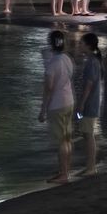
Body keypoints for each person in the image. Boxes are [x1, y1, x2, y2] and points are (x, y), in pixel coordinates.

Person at [38, 30, 75, 184]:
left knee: (61, 141)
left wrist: (43, 110)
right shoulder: (67, 59)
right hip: (69, 102)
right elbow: (69, 77)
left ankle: (64, 174)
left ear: (50, 44)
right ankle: (65, 170)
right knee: (67, 139)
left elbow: (49, 89)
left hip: (57, 105)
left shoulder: (52, 64)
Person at [76, 33, 103, 177]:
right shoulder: (93, 60)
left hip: (89, 104)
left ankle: (91, 167)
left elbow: (89, 84)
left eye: (81, 43)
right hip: (91, 103)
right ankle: (89, 166)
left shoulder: (91, 62)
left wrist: (81, 104)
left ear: (88, 45)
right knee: (86, 134)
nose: (79, 45)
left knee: (88, 134)